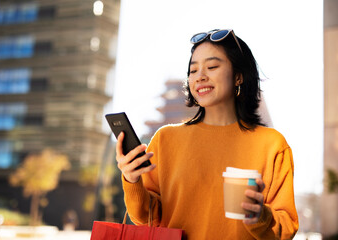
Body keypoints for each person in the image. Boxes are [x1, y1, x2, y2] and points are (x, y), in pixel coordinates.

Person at [115, 29, 299, 239]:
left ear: (238, 76)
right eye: (193, 71)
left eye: (212, 67)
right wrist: (131, 180)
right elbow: (147, 218)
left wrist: (260, 216)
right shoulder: (165, 139)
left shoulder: (272, 145)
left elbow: (287, 228)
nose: (200, 77)